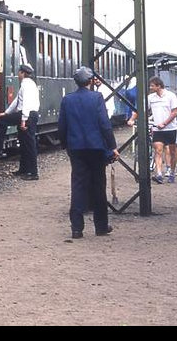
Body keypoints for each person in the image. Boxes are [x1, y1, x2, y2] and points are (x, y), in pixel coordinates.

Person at [59, 67, 119, 238]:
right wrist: (112, 146)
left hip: (76, 149)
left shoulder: (67, 100)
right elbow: (104, 124)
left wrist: (66, 145)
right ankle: (101, 226)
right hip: (96, 149)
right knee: (98, 186)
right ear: (90, 81)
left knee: (77, 186)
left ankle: (77, 228)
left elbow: (62, 125)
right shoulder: (96, 97)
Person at [0, 64, 40, 180]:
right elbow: (17, 101)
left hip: (28, 115)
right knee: (24, 142)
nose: (17, 74)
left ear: (22, 73)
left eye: (19, 72)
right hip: (28, 115)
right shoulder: (28, 84)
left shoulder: (27, 85)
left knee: (29, 144)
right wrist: (6, 112)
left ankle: (33, 172)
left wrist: (24, 120)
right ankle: (24, 169)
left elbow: (26, 103)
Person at [146, 77, 177, 184]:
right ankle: (159, 174)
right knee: (158, 150)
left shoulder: (171, 96)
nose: (150, 88)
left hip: (170, 129)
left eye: (152, 85)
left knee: (172, 151)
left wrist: (164, 123)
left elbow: (174, 112)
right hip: (157, 129)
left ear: (158, 86)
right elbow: (143, 109)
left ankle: (172, 172)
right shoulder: (150, 98)